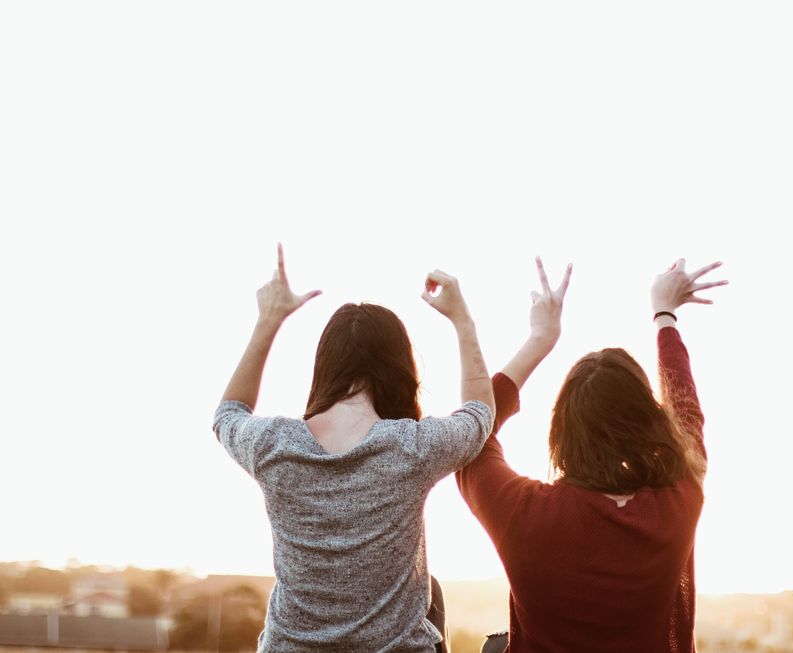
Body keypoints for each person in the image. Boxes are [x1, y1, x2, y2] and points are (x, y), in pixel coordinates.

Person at [213, 244, 495, 652]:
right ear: (401, 370)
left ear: (325, 367)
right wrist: (462, 319)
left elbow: (227, 414)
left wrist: (268, 321)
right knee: (431, 594)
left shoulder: (272, 445)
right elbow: (479, 413)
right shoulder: (411, 447)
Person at [457, 257, 727, 653]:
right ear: (648, 421)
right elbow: (687, 413)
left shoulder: (525, 514)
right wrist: (664, 314)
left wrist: (540, 340)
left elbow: (472, 434)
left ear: (561, 429)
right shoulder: (676, 504)